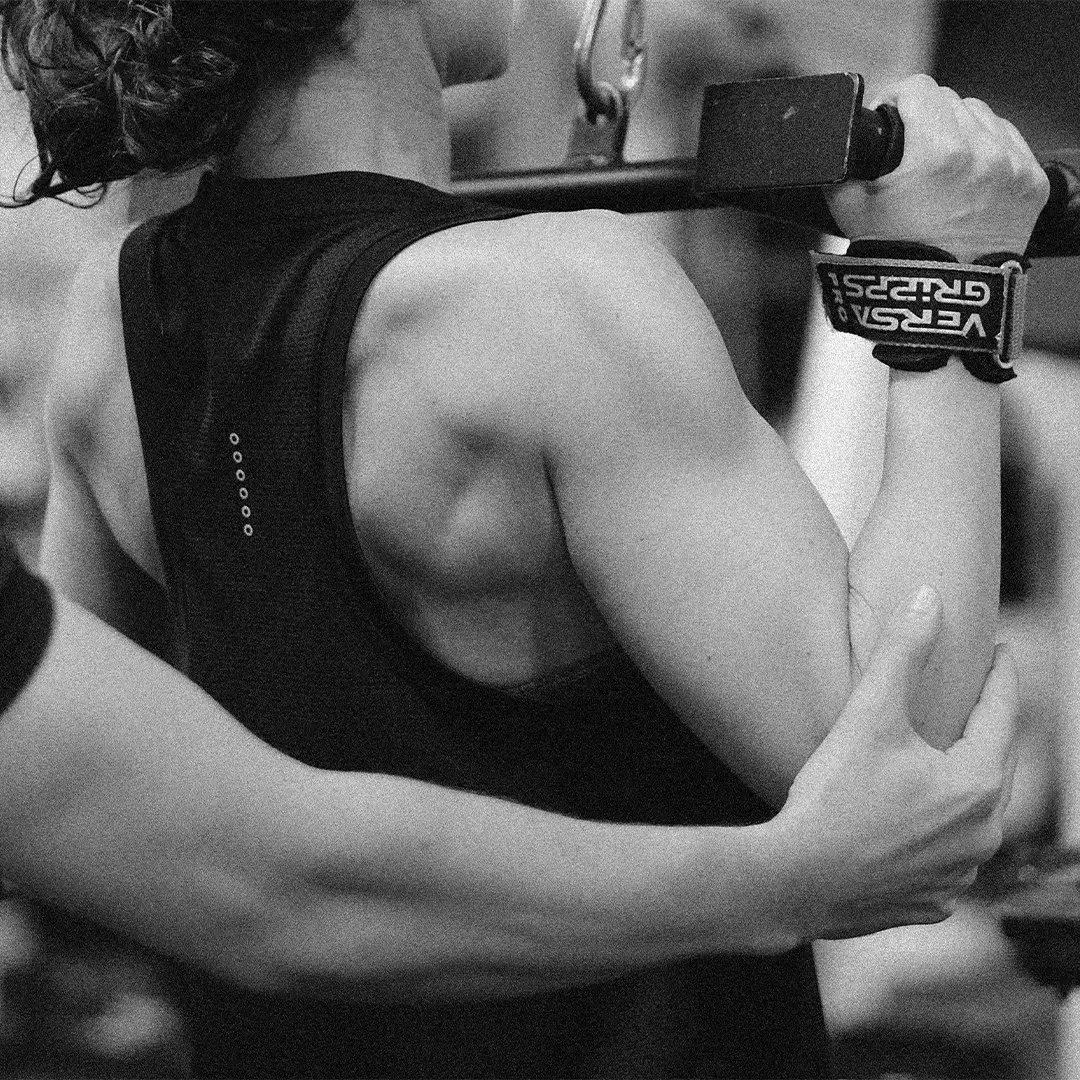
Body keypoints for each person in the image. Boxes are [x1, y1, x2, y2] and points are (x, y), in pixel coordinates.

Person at [0, 0, 1045, 1076]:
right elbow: (916, 770)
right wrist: (951, 271)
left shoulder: (111, 318)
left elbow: (86, 834)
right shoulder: (551, 302)